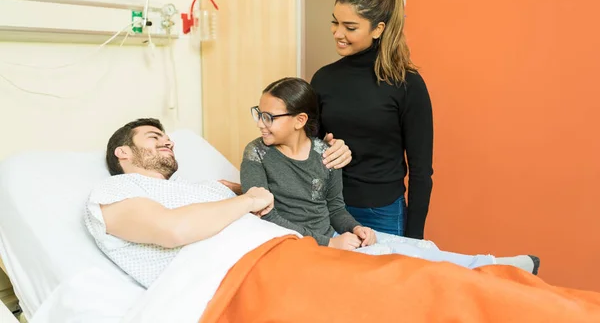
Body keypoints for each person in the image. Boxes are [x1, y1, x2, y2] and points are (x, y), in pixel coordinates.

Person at [83, 118, 600, 323]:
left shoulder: (205, 188)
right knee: (421, 293)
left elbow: (281, 194)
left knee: (427, 277)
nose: (166, 140)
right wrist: (244, 202)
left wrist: (332, 158)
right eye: (153, 137)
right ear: (124, 154)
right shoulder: (114, 191)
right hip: (244, 281)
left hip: (294, 255)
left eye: (166, 134)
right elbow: (174, 232)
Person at [240, 77, 539, 273]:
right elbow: (267, 217)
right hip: (303, 248)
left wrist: (356, 228)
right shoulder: (257, 154)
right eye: (259, 114)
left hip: (335, 238)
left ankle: (493, 266)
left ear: (299, 120)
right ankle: (492, 269)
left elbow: (335, 208)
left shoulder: (326, 154)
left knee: (419, 249)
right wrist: (327, 243)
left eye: (269, 117)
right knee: (405, 266)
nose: (261, 124)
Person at [311, 0, 432, 239]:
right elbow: (305, 148)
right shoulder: (324, 79)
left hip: (382, 212)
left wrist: (414, 241)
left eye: (350, 27)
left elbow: (421, 172)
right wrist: (323, 145)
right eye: (335, 22)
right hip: (329, 208)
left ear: (378, 29)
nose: (337, 33)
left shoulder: (407, 84)